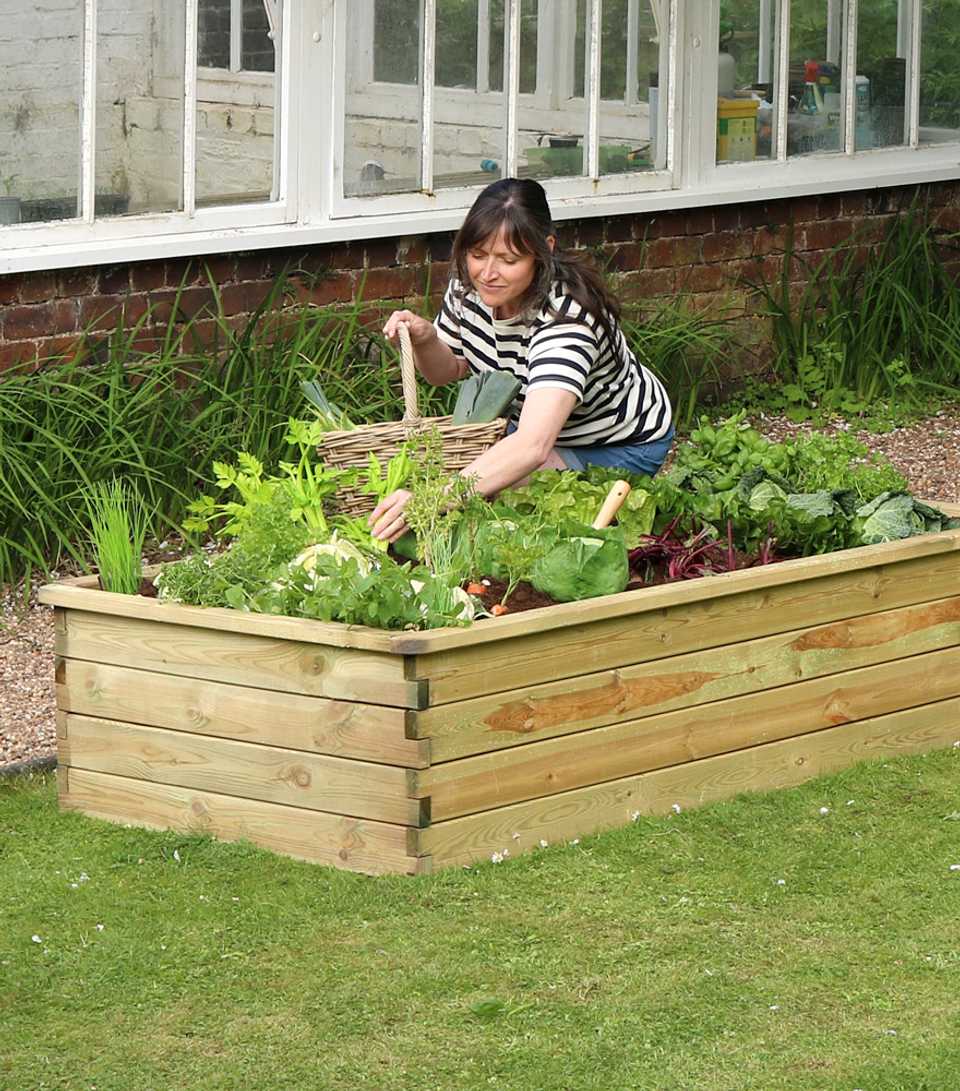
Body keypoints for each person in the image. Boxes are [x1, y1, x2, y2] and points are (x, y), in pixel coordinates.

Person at [370, 177, 673, 542]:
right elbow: (446, 370)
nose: (488, 272)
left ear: (543, 250)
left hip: (614, 441)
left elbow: (532, 446)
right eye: (478, 254)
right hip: (537, 427)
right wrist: (426, 338)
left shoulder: (566, 319)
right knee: (478, 489)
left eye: (508, 260)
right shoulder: (471, 287)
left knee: (500, 503)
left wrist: (431, 500)